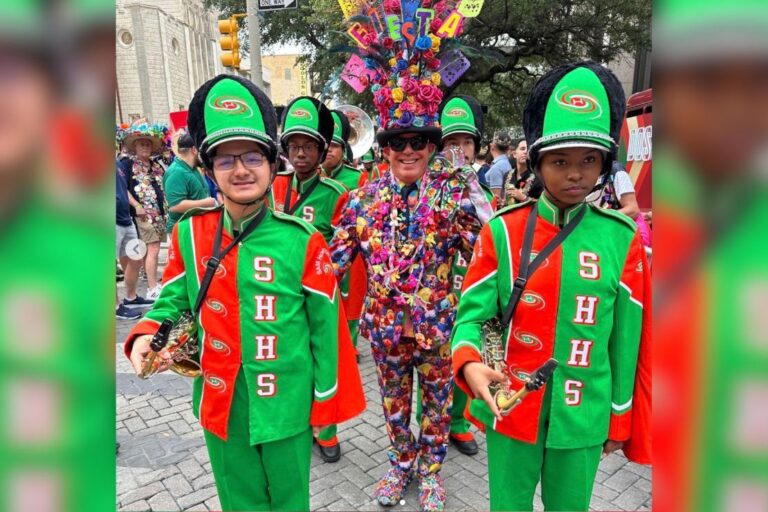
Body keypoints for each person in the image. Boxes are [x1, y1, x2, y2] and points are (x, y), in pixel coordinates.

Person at [124, 74, 365, 511]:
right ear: (210, 168)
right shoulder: (190, 235)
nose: (240, 170)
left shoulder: (302, 240)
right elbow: (173, 299)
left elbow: (326, 329)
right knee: (239, 504)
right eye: (225, 159)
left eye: (253, 157)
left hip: (287, 406)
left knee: (291, 503)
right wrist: (145, 333)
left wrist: (325, 403)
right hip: (221, 403)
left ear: (273, 164)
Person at [451, 62, 651, 511]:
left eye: (589, 160)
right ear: (538, 162)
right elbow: (474, 316)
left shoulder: (622, 239)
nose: (575, 173)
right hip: (510, 404)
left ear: (604, 164)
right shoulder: (501, 232)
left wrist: (620, 417)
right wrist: (468, 365)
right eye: (560, 161)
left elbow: (628, 339)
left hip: (583, 414)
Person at [330, 60, 493, 512]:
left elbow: (486, 252)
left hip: (438, 326)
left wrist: (472, 190)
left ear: (430, 147)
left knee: (438, 404)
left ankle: (432, 473)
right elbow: (329, 265)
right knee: (394, 404)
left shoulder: (452, 195)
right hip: (385, 332)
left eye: (417, 142)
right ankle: (401, 464)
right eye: (397, 143)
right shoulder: (360, 201)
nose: (407, 151)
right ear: (384, 149)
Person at [270, 96, 350, 463]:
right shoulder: (273, 187)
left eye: (308, 147)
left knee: (323, 357)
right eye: (294, 146)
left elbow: (342, 250)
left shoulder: (337, 195)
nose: (300, 154)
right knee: (290, 358)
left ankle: (328, 429)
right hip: (279, 293)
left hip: (318, 293)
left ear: (321, 151)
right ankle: (296, 420)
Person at [321, 110, 368, 354]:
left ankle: (349, 346)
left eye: (335, 146)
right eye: (325, 145)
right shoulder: (311, 177)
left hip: (349, 251)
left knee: (350, 299)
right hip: (319, 253)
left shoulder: (357, 178)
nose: (329, 150)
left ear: (343, 150)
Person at [121, 122, 168, 300]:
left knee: (150, 251)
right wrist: (136, 205)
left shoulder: (156, 165)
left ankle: (150, 283)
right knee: (153, 248)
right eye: (142, 144)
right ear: (134, 146)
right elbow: (122, 187)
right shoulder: (127, 164)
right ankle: (151, 288)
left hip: (159, 215)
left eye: (148, 144)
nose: (145, 147)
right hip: (142, 216)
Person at [163, 130, 216, 234]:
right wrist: (207, 203)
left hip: (196, 227)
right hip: (183, 231)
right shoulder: (176, 172)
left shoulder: (193, 168)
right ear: (194, 150)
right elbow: (176, 205)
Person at [503, 138, 534, 205]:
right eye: (522, 149)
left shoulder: (537, 177)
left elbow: (543, 204)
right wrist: (501, 202)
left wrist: (524, 198)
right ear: (514, 154)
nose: (525, 152)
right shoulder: (507, 175)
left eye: (528, 149)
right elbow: (505, 201)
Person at [486, 132, 512, 202]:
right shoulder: (506, 163)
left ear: (493, 146)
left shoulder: (497, 167)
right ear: (508, 148)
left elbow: (496, 198)